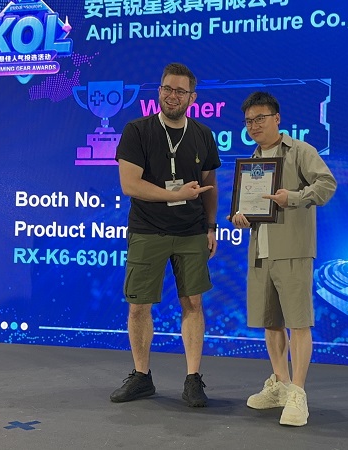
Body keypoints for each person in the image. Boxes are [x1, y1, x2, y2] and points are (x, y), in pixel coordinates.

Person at [110, 62, 220, 407]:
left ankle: (193, 379)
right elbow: (130, 185)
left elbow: (210, 185)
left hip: (191, 231)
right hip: (148, 230)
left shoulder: (203, 134)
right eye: (167, 89)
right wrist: (176, 194)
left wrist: (211, 226)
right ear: (159, 91)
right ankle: (141, 376)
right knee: (138, 306)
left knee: (193, 303)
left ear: (192, 97)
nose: (173, 96)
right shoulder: (137, 130)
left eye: (180, 91)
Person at [231, 91, 336, 426]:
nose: (254, 126)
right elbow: (249, 205)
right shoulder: (252, 160)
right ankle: (281, 384)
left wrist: (292, 197)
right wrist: (240, 216)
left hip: (293, 249)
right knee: (271, 322)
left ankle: (298, 393)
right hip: (260, 251)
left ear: (277, 118)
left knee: (298, 322)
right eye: (249, 121)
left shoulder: (300, 151)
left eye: (260, 118)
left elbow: (327, 184)